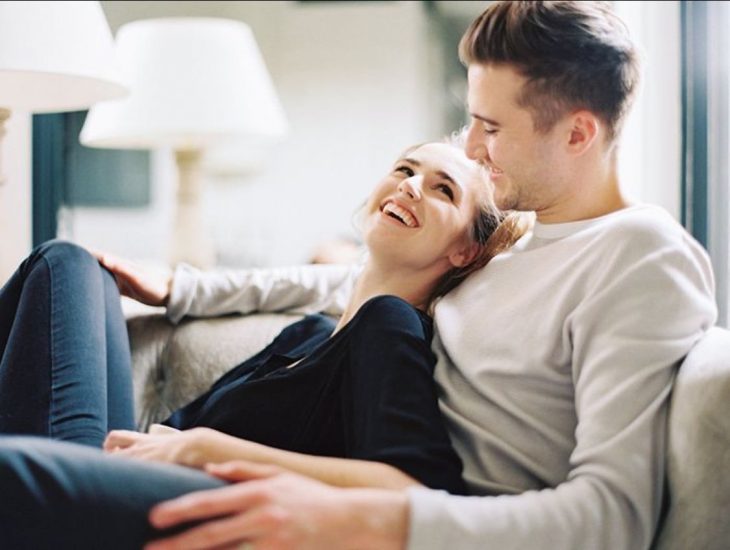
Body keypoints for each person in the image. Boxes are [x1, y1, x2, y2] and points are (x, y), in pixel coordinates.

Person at [0, 1, 718, 549]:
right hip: (261, 471)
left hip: (371, 501)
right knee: (68, 265)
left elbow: (611, 517)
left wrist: (355, 513)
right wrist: (185, 287)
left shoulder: (640, 254)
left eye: (490, 129)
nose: (471, 146)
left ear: (579, 133)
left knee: (14, 472)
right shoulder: (515, 246)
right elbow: (358, 284)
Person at [0, 139, 525, 547]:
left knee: (12, 468)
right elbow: (176, 428)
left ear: (464, 250)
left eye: (443, 190)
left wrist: (210, 451)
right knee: (66, 262)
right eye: (406, 170)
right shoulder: (310, 332)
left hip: (211, 506)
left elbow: (416, 491)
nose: (412, 186)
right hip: (125, 472)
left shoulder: (390, 326)